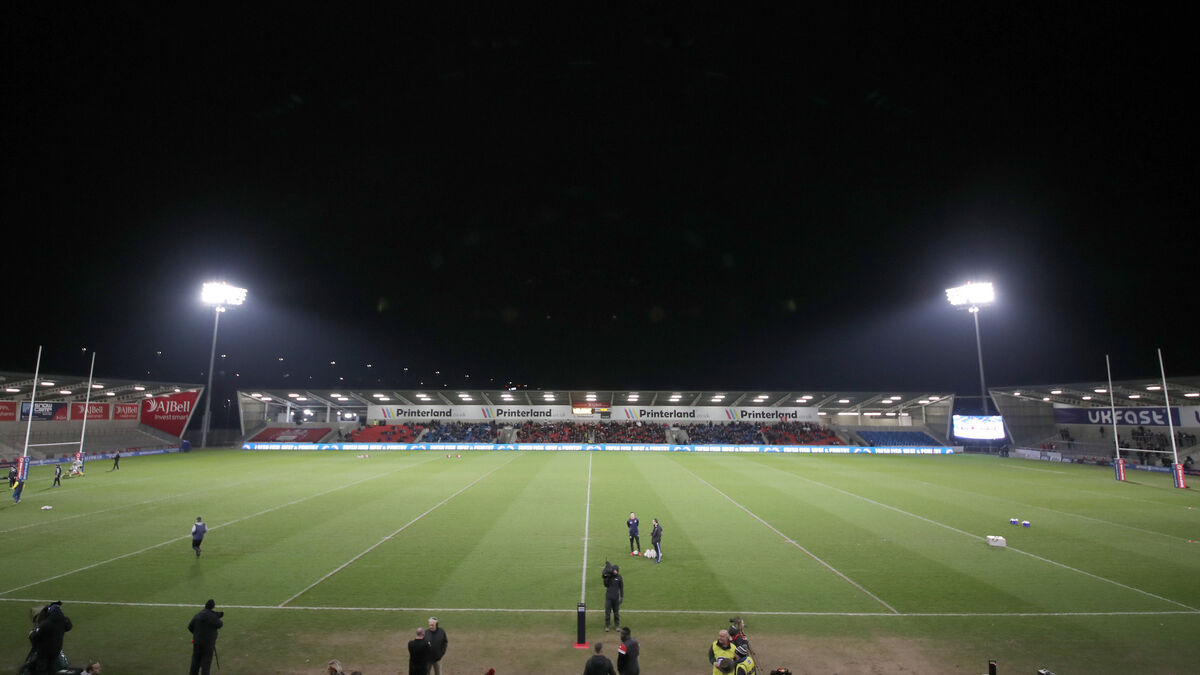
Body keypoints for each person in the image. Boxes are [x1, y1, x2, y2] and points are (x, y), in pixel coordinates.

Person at [28, 601, 72, 675]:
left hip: (44, 652)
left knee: (42, 670)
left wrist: (31, 634)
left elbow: (35, 637)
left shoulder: (46, 624)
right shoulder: (62, 621)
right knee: (52, 669)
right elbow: (69, 627)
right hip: (56, 650)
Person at [187, 598, 224, 675]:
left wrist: (197, 634)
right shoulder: (212, 616)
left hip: (197, 642)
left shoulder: (198, 615)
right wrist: (216, 615)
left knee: (195, 663)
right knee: (206, 665)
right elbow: (220, 624)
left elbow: (190, 627)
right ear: (213, 606)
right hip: (208, 644)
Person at [604, 564, 623, 631]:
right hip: (608, 597)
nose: (614, 571)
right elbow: (605, 585)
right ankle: (607, 626)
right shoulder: (609, 577)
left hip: (616, 598)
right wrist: (605, 577)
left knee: (616, 613)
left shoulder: (619, 577)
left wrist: (621, 597)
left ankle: (617, 626)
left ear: (617, 570)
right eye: (614, 570)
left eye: (615, 570)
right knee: (607, 612)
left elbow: (621, 588)